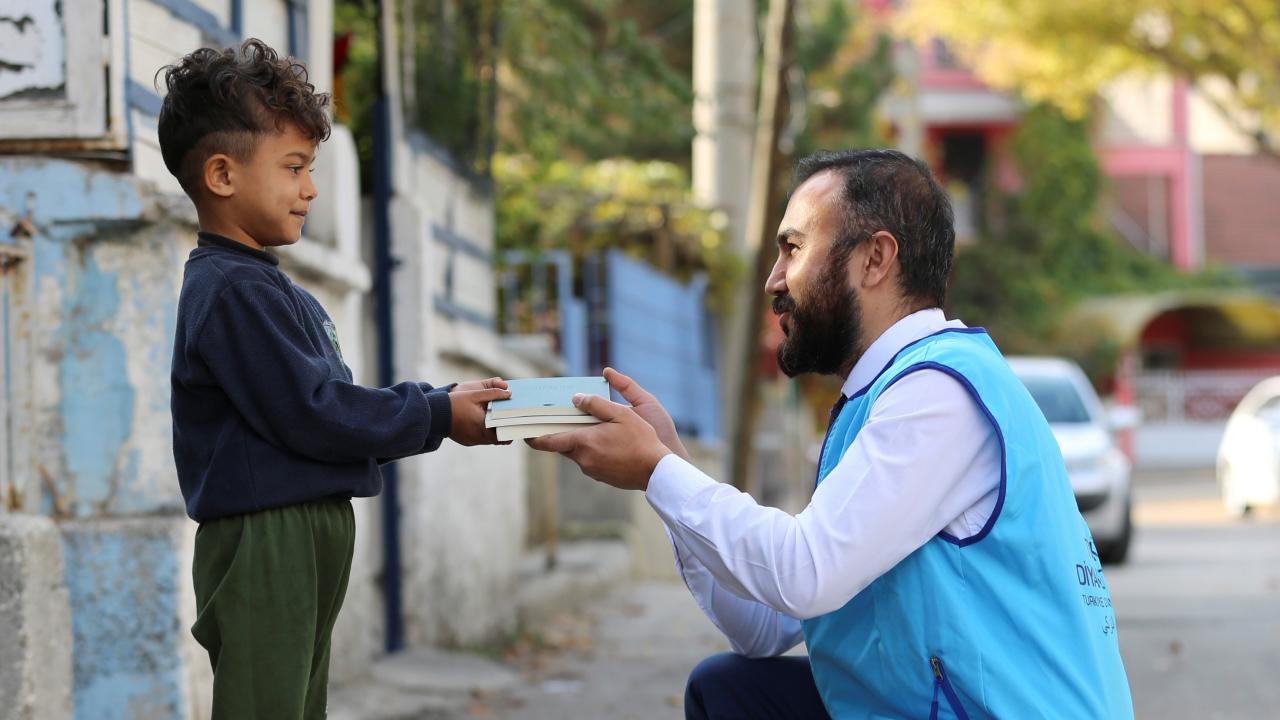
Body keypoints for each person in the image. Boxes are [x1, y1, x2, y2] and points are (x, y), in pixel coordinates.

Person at [530, 149, 1134, 719]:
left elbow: (804, 572)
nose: (773, 280)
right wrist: (667, 464)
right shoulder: (887, 394)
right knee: (732, 689)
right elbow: (764, 628)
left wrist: (658, 473)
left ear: (875, 259)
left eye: (793, 248)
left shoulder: (939, 394)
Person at [162, 39, 509, 719]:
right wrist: (437, 414)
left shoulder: (264, 285)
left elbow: (329, 410)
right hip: (267, 541)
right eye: (294, 167)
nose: (311, 188)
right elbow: (317, 412)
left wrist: (439, 406)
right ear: (223, 175)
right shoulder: (231, 292)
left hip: (298, 536)